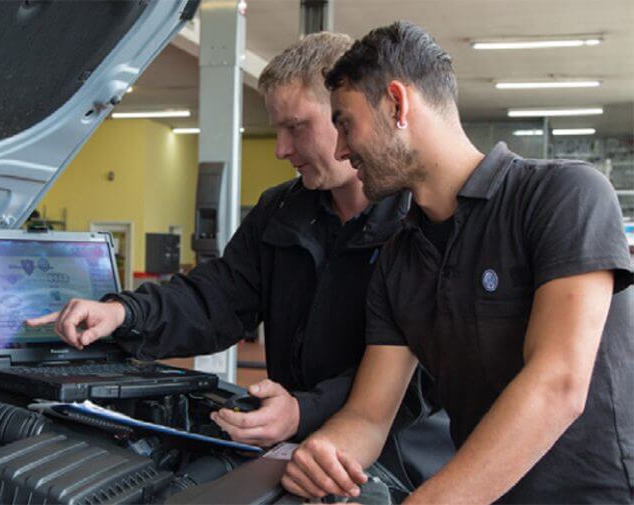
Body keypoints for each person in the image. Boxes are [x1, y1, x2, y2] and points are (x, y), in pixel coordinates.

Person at [27, 32, 453, 495]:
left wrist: (304, 410)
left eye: (296, 127)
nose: (281, 149)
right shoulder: (282, 210)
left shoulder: (422, 222)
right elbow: (216, 298)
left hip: (400, 466)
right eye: (279, 130)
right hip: (292, 448)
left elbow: (427, 374)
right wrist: (125, 312)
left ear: (341, 113)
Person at [281, 21, 634, 503]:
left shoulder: (564, 196)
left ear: (398, 104)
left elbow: (558, 384)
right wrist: (326, 453)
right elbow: (368, 416)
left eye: (345, 124)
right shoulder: (398, 258)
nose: (341, 149)